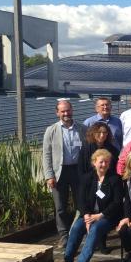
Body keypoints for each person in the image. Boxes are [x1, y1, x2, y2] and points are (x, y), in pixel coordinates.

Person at [62, 149, 123, 262]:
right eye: (101, 162)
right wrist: (86, 215)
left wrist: (100, 215)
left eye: (106, 162)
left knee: (95, 229)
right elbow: (81, 200)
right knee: (76, 228)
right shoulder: (86, 178)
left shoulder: (115, 179)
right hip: (89, 214)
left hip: (107, 216)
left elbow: (117, 203)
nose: (104, 165)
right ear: (94, 162)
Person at [42, 100, 87, 248]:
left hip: (78, 171)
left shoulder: (82, 129)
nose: (66, 113)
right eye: (63, 111)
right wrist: (49, 175)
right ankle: (63, 236)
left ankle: (78, 233)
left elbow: (87, 152)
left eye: (68, 110)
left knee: (81, 205)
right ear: (57, 113)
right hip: (59, 172)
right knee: (60, 207)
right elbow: (46, 154)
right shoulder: (51, 130)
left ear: (72, 110)